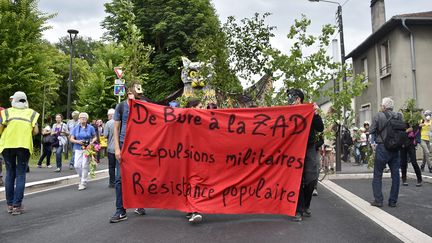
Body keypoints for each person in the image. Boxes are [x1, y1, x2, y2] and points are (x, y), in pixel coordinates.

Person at [110, 82, 148, 223]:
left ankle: (139, 204)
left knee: (140, 177)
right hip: (124, 145)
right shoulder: (120, 106)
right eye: (135, 94)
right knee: (120, 178)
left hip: (141, 147)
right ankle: (120, 210)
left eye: (139, 94)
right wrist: (117, 149)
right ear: (129, 93)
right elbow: (116, 128)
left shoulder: (144, 105)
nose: (137, 96)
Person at [287, 89, 324, 222]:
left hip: (308, 148)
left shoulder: (309, 111)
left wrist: (315, 114)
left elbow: (320, 128)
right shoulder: (287, 113)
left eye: (292, 97)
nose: (289, 100)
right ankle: (298, 209)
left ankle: (306, 205)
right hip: (293, 150)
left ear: (298, 99)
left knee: (311, 178)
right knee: (296, 180)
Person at [0, 91, 39, 215]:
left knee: (10, 173)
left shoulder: (6, 112)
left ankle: (10, 205)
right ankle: (17, 206)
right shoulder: (32, 113)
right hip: (24, 146)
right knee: (21, 174)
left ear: (14, 100)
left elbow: (0, 128)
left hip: (7, 145)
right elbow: (36, 131)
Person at [369, 97, 403, 208]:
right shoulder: (399, 116)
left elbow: (371, 130)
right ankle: (393, 201)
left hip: (383, 148)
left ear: (383, 106)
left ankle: (378, 200)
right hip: (396, 148)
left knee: (378, 174)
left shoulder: (379, 115)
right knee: (395, 175)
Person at [69, 112, 97, 190]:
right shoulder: (75, 128)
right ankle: (82, 177)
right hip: (78, 148)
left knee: (84, 165)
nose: (83, 118)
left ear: (87, 119)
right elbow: (71, 138)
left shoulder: (90, 128)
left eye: (84, 117)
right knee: (76, 165)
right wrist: (78, 141)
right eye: (81, 117)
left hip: (87, 148)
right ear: (79, 119)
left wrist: (91, 142)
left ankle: (83, 182)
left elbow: (95, 137)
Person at [103, 109, 116, 188]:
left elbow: (105, 135)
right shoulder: (122, 121)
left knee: (111, 166)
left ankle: (112, 182)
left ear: (111, 115)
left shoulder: (108, 123)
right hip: (121, 148)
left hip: (111, 148)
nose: (108, 117)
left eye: (108, 115)